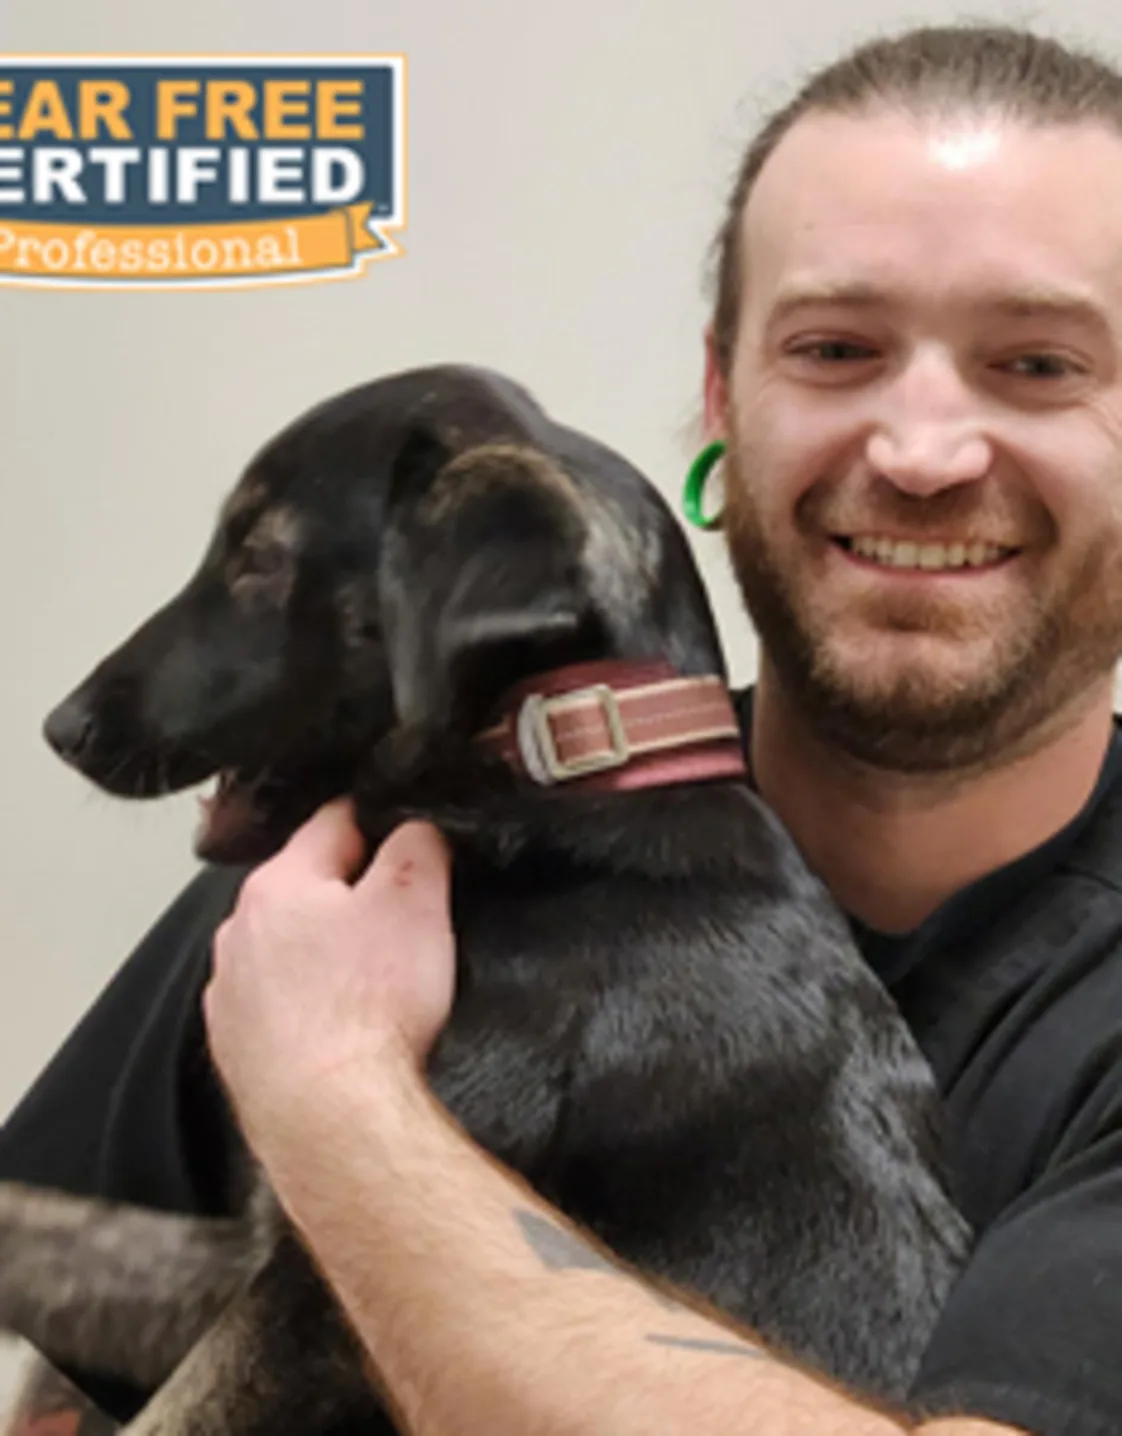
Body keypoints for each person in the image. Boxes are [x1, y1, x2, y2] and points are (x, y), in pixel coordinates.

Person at [6, 17, 1122, 1435]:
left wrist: (343, 1109)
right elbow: (78, 1371)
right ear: (723, 396)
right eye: (836, 347)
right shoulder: (380, 848)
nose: (917, 452)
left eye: (1036, 365)